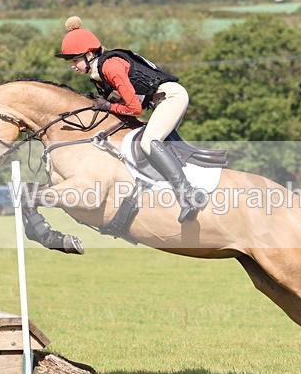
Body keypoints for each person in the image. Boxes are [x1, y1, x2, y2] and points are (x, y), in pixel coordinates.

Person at [55, 16, 205, 223]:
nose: (72, 65)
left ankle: (188, 194)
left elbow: (133, 108)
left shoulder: (110, 67)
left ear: (89, 54)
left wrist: (108, 105)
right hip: (159, 102)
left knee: (148, 142)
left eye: (74, 60)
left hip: (171, 97)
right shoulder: (99, 72)